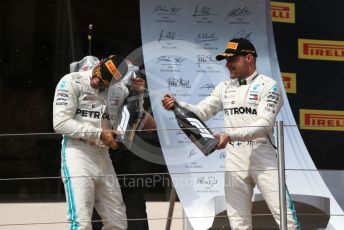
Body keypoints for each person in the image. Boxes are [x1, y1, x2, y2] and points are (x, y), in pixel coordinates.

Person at [161, 38, 301, 230]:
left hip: (264, 158)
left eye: (232, 59)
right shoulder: (224, 88)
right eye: (226, 60)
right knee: (238, 223)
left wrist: (230, 136)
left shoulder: (270, 86)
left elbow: (264, 125)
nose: (227, 64)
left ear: (249, 58)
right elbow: (202, 111)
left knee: (287, 220)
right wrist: (177, 105)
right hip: (234, 160)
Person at [53, 55, 145, 229]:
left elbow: (133, 121)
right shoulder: (71, 81)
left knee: (117, 221)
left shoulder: (119, 90)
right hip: (78, 153)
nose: (96, 82)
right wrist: (99, 133)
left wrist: (138, 94)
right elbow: (60, 123)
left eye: (103, 83)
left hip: (104, 155)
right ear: (99, 64)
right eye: (97, 76)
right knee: (81, 222)